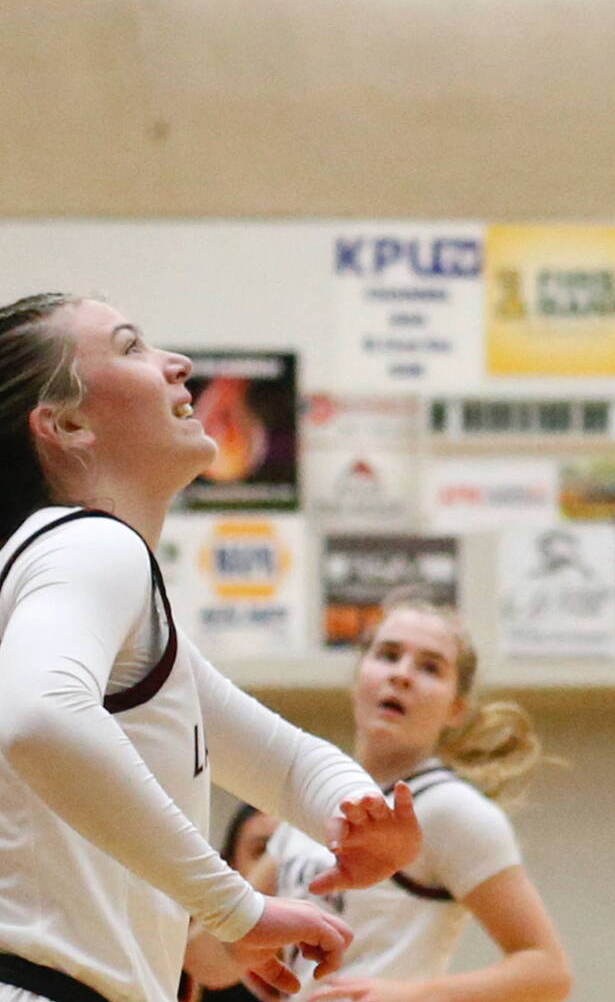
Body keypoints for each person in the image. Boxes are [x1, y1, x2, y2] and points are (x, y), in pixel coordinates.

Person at [0, 294, 423, 1002]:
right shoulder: (92, 544)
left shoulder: (71, 571)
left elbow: (284, 762)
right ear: (68, 423)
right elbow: (42, 719)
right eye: (131, 347)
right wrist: (236, 908)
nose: (179, 364)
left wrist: (353, 813)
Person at [261, 596, 572, 1002]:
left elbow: (547, 971)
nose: (401, 675)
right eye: (387, 655)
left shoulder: (450, 808)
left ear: (456, 709)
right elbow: (216, 953)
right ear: (359, 677)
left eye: (429, 667)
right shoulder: (309, 796)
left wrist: (412, 996)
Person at [183, 804, 282, 1002]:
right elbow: (198, 961)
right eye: (262, 851)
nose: (283, 868)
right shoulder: (202, 960)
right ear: (231, 869)